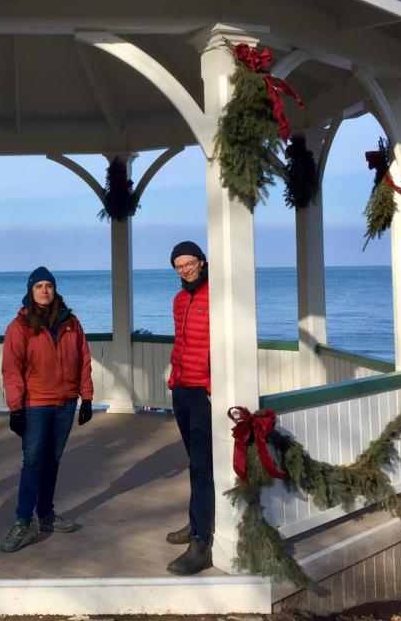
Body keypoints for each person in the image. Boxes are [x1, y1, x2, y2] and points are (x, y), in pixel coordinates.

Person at [0, 267, 94, 553]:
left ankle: (46, 514)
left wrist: (87, 398)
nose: (44, 290)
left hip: (66, 403)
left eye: (48, 285)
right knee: (33, 461)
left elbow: (83, 360)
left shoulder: (71, 323)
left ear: (55, 289)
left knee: (52, 460)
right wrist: (16, 408)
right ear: (31, 291)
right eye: (39, 286)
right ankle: (23, 521)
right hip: (36, 405)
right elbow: (11, 369)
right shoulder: (20, 326)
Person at [165, 241, 213, 575]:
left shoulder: (216, 297)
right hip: (181, 389)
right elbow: (180, 342)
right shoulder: (179, 299)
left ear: (202, 262)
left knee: (202, 466)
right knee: (194, 462)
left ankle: (201, 542)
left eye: (189, 263)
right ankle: (196, 520)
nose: (185, 270)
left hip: (203, 393)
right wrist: (173, 379)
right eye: (179, 266)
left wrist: (212, 384)